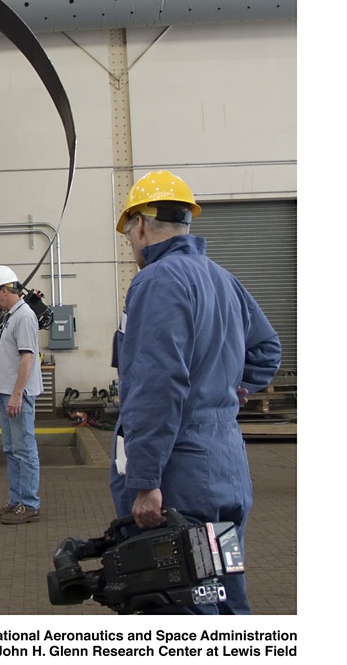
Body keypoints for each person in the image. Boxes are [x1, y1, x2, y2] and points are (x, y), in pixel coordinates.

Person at [112, 170, 281, 614]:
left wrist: (146, 482)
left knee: (177, 601)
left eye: (128, 232)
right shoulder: (222, 278)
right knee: (222, 592)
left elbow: (155, 386)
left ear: (141, 225)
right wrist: (231, 388)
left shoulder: (157, 281)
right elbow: (266, 349)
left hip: (179, 473)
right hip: (225, 466)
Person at [0, 265, 43, 525]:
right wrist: (0, 394)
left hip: (18, 394)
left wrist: (17, 395)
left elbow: (27, 358)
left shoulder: (24, 316)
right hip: (7, 393)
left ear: (6, 290)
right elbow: (7, 360)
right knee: (11, 450)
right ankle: (16, 500)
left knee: (24, 449)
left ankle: (29, 504)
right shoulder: (10, 316)